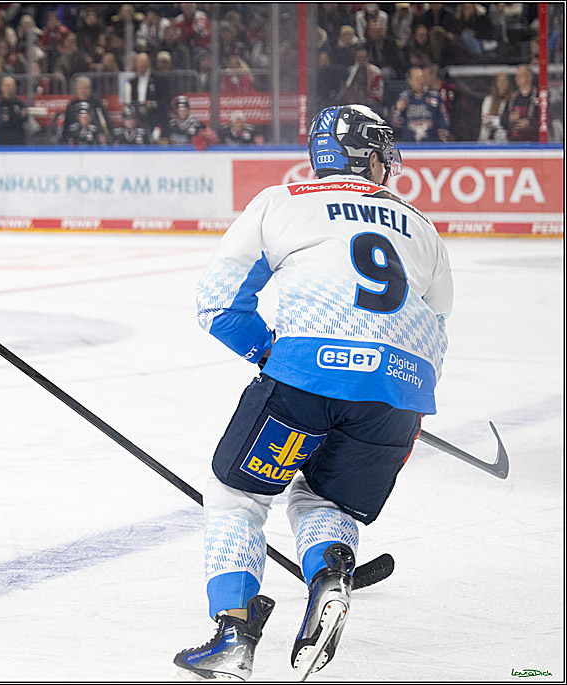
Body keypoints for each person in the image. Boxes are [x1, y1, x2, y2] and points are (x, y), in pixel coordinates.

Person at [175, 104, 452, 680]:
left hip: (307, 377)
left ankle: (232, 636)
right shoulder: (423, 228)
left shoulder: (283, 201)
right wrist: (402, 403)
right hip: (400, 397)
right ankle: (328, 573)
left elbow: (218, 304)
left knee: (238, 496)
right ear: (367, 154)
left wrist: (267, 351)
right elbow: (436, 334)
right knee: (324, 499)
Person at [391, 66, 451, 142]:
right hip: (409, 146)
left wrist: (442, 143)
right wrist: (398, 111)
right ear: (410, 81)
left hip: (432, 144)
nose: (420, 81)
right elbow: (395, 125)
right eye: (416, 78)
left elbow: (444, 122)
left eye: (421, 78)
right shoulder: (403, 98)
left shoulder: (435, 97)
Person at [500, 65, 540, 142]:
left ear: (529, 77)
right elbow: (502, 120)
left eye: (521, 75)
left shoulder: (539, 96)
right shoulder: (512, 97)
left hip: (534, 142)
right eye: (517, 75)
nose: (517, 78)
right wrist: (509, 118)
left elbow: (546, 119)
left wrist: (530, 123)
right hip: (514, 143)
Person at [0, 75, 27, 145]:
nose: (9, 88)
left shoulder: (20, 103)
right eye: (7, 85)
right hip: (2, 141)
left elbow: (25, 119)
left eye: (11, 85)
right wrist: (17, 116)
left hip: (18, 141)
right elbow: (0, 122)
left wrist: (9, 118)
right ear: (2, 87)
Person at [479, 71, 512, 142]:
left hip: (505, 142)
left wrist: (503, 120)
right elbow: (486, 120)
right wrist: (502, 120)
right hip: (487, 141)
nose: (502, 83)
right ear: (495, 83)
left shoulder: (512, 100)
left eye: (505, 80)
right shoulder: (488, 100)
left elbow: (511, 122)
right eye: (499, 80)